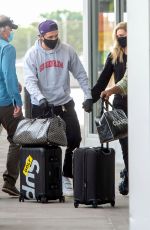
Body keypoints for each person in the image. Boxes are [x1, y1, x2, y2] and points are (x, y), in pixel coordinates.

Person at [23, 19, 93, 196]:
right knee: (46, 144)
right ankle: (46, 180)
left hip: (64, 103)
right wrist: (40, 98)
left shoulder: (67, 50)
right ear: (41, 36)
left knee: (75, 138)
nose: (54, 39)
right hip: (42, 106)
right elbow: (30, 82)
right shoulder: (32, 55)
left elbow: (81, 74)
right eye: (50, 37)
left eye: (56, 36)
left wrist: (88, 96)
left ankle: (65, 176)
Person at [91, 22, 128, 195]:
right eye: (119, 35)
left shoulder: (139, 53)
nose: (122, 38)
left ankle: (131, 173)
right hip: (121, 104)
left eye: (124, 35)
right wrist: (91, 98)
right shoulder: (114, 56)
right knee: (126, 143)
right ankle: (130, 176)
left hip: (140, 104)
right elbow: (103, 80)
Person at [0, 15, 23, 196]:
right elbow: (8, 76)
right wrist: (18, 101)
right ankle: (9, 181)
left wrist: (16, 84)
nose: (11, 32)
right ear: (2, 29)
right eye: (10, 29)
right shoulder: (7, 48)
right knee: (18, 138)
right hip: (5, 102)